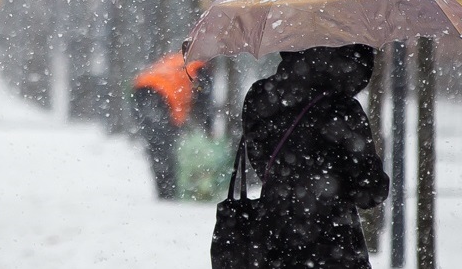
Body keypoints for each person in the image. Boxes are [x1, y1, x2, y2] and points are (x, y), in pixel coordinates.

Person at [240, 44, 389, 269]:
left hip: (273, 243)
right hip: (335, 249)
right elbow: (370, 192)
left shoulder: (260, 95)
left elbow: (262, 165)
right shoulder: (343, 108)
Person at [131, 51, 212, 200]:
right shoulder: (199, 68)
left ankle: (165, 190)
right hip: (160, 96)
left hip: (140, 90)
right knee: (164, 147)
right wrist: (208, 130)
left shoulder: (181, 59)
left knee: (156, 146)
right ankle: (168, 193)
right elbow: (204, 104)